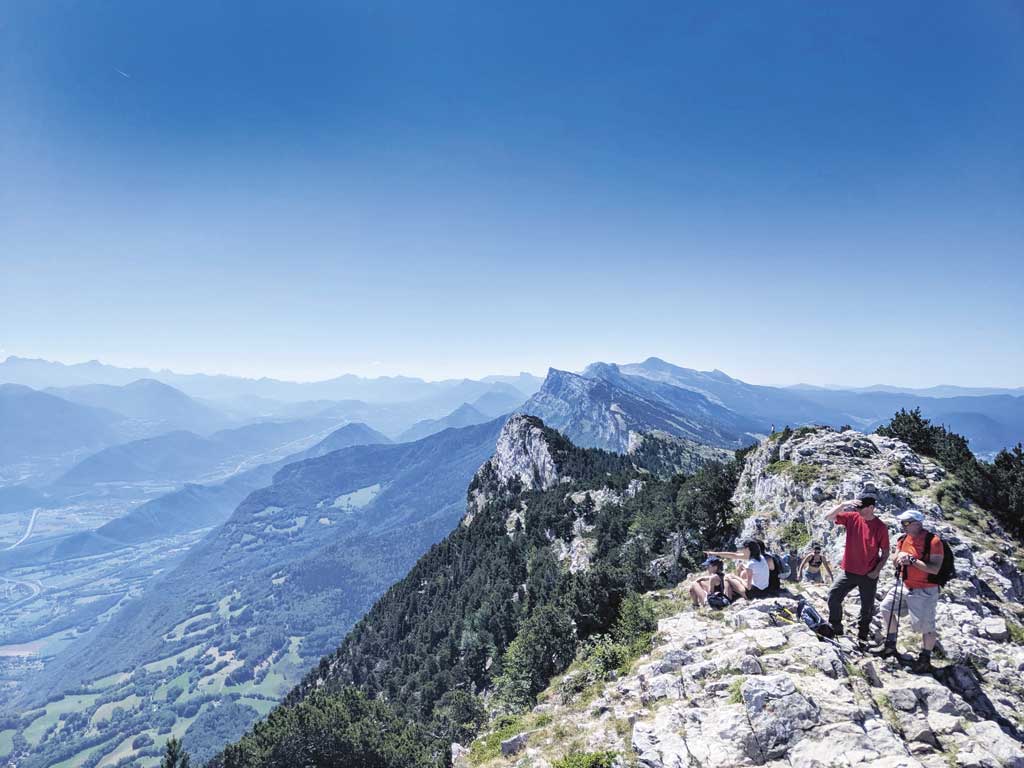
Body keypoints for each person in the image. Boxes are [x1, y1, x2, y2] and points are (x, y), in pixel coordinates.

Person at [876, 510, 944, 673]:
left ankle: (925, 658)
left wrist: (912, 560)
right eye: (902, 523)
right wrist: (897, 559)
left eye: (906, 523)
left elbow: (935, 569)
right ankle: (890, 645)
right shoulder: (903, 539)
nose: (902, 526)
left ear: (917, 523)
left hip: (924, 590)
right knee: (885, 608)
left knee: (926, 626)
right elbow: (895, 560)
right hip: (904, 585)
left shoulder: (933, 541)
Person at [825, 495, 890, 646]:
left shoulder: (880, 527)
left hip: (869, 574)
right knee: (833, 596)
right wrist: (843, 504)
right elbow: (828, 517)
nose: (856, 510)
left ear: (871, 508)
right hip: (849, 571)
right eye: (856, 507)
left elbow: (885, 553)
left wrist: (876, 571)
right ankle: (836, 627)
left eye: (860, 508)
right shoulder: (852, 517)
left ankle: (863, 635)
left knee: (867, 607)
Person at [704, 540, 771, 600]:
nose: (741, 550)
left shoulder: (751, 564)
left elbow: (749, 587)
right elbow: (734, 555)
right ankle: (729, 596)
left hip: (754, 594)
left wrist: (736, 577)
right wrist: (715, 553)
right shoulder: (761, 557)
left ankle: (727, 599)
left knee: (728, 577)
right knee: (739, 577)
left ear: (747, 549)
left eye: (742, 548)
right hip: (765, 591)